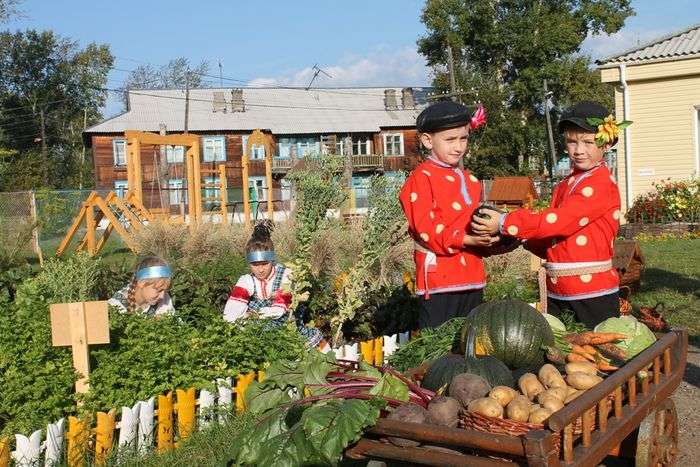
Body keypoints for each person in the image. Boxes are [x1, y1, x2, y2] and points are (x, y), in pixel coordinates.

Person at [471, 101, 627, 328]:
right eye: (572, 141)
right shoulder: (566, 184)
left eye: (588, 142)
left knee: (595, 353)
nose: (578, 150)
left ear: (607, 142)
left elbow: (559, 222)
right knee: (562, 355)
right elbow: (553, 238)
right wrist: (521, 238)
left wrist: (506, 221)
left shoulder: (601, 184)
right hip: (560, 288)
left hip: (591, 292)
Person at [399, 100, 498, 329]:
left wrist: (493, 238)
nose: (458, 147)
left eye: (463, 138)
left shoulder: (470, 180)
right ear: (427, 140)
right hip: (438, 280)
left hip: (472, 277)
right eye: (450, 140)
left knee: (472, 343)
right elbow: (425, 230)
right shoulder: (420, 179)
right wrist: (467, 239)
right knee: (438, 350)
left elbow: (473, 224)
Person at [223, 220, 327, 350]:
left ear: (272, 260)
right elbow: (230, 314)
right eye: (255, 265)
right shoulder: (246, 281)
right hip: (258, 330)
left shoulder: (286, 275)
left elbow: (279, 309)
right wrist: (243, 320)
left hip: (287, 327)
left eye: (264, 264)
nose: (260, 270)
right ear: (249, 264)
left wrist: (253, 315)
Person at [108, 256, 175, 317]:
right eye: (159, 290)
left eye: (165, 290)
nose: (162, 296)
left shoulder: (163, 300)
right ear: (141, 283)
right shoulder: (116, 306)